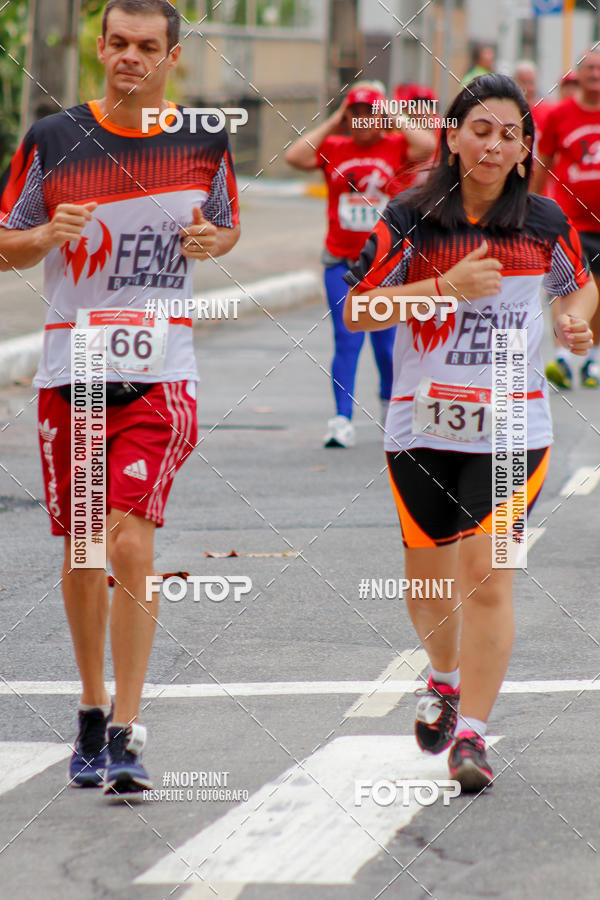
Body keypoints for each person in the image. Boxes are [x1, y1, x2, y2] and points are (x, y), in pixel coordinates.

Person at [0, 0, 240, 795]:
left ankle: (131, 731)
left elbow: (225, 225)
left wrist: (213, 240)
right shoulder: (53, 139)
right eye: (120, 44)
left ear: (172, 57)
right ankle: (92, 710)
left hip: (162, 375)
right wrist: (45, 237)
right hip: (72, 377)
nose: (132, 57)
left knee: (130, 541)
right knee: (83, 549)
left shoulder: (203, 140)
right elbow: (7, 244)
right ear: (101, 48)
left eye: (149, 46)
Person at [343, 74, 597, 791]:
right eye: (479, 129)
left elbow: (579, 285)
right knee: (429, 580)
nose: (493, 144)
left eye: (509, 133)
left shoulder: (543, 224)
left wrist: (574, 320)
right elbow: (360, 311)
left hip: (514, 423)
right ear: (452, 138)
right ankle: (445, 681)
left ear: (524, 150)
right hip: (421, 423)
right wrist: (441, 289)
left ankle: (475, 736)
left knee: (487, 570)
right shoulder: (410, 219)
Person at [285, 81, 436, 447]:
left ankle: (389, 407)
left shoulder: (395, 146)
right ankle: (341, 418)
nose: (363, 119)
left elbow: (429, 146)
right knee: (346, 337)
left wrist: (391, 114)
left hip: (385, 265)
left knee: (385, 345)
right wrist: (336, 119)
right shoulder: (335, 147)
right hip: (340, 259)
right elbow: (294, 157)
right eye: (356, 112)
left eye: (370, 112)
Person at [532, 48, 600, 389]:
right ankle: (561, 356)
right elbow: (543, 161)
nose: (595, 74)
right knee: (564, 284)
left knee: (597, 290)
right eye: (589, 68)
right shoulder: (560, 115)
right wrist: (530, 205)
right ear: (578, 73)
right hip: (570, 220)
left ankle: (592, 360)